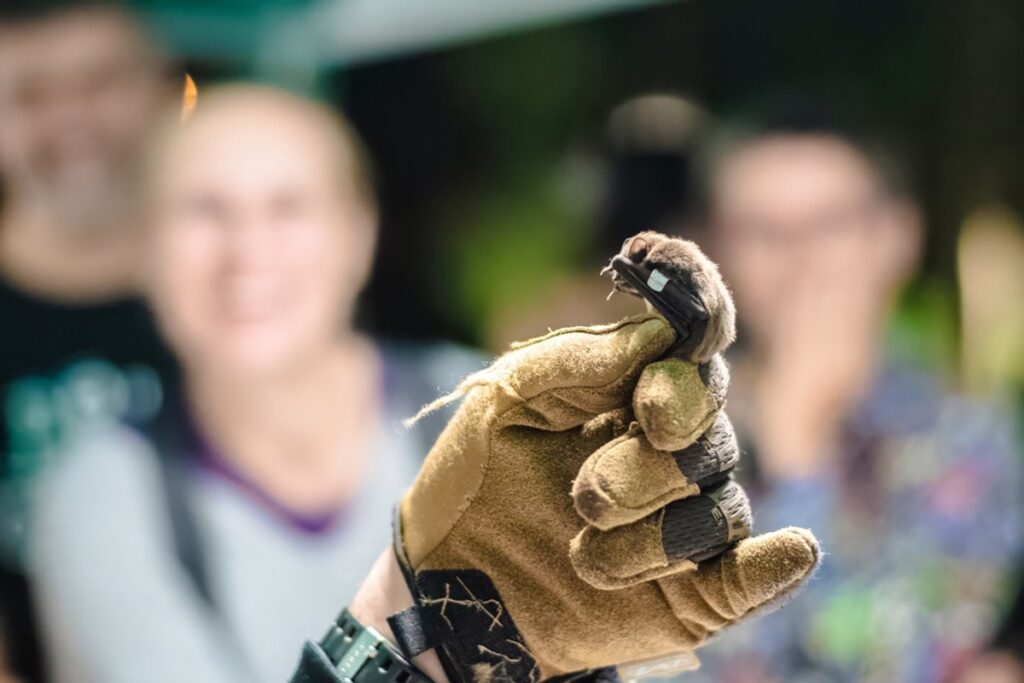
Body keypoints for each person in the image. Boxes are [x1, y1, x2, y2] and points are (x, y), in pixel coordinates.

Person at [30, 85, 480, 683]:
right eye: (204, 211)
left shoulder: (497, 413)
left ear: (360, 234)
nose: (247, 250)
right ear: (143, 248)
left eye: (288, 206)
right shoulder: (99, 495)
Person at [687, 108, 1023, 682]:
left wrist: (798, 446)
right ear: (711, 256)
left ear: (897, 235)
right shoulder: (662, 438)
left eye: (831, 223)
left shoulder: (967, 435)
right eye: (762, 232)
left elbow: (896, 663)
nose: (802, 262)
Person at [0, 2, 177, 680]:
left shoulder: (245, 288)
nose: (72, 120)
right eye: (30, 94)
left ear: (160, 87)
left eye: (100, 82)